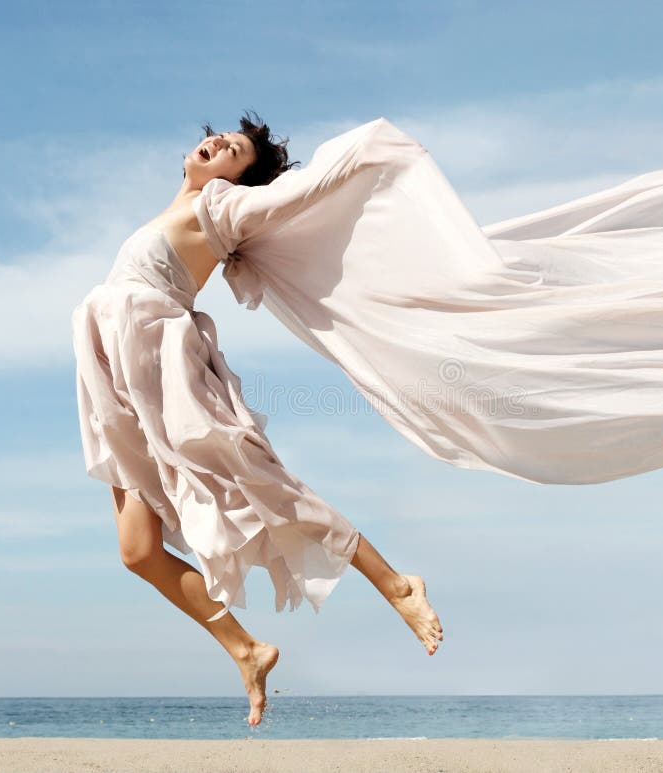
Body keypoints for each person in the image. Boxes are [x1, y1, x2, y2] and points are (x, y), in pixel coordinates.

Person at [71, 111, 443, 728]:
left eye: (233, 152)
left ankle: (398, 584)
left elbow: (302, 192)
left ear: (238, 180)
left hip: (165, 377)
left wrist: (368, 146)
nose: (216, 145)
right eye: (221, 140)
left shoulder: (222, 207)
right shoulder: (178, 208)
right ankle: (246, 648)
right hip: (118, 384)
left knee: (261, 483)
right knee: (138, 552)